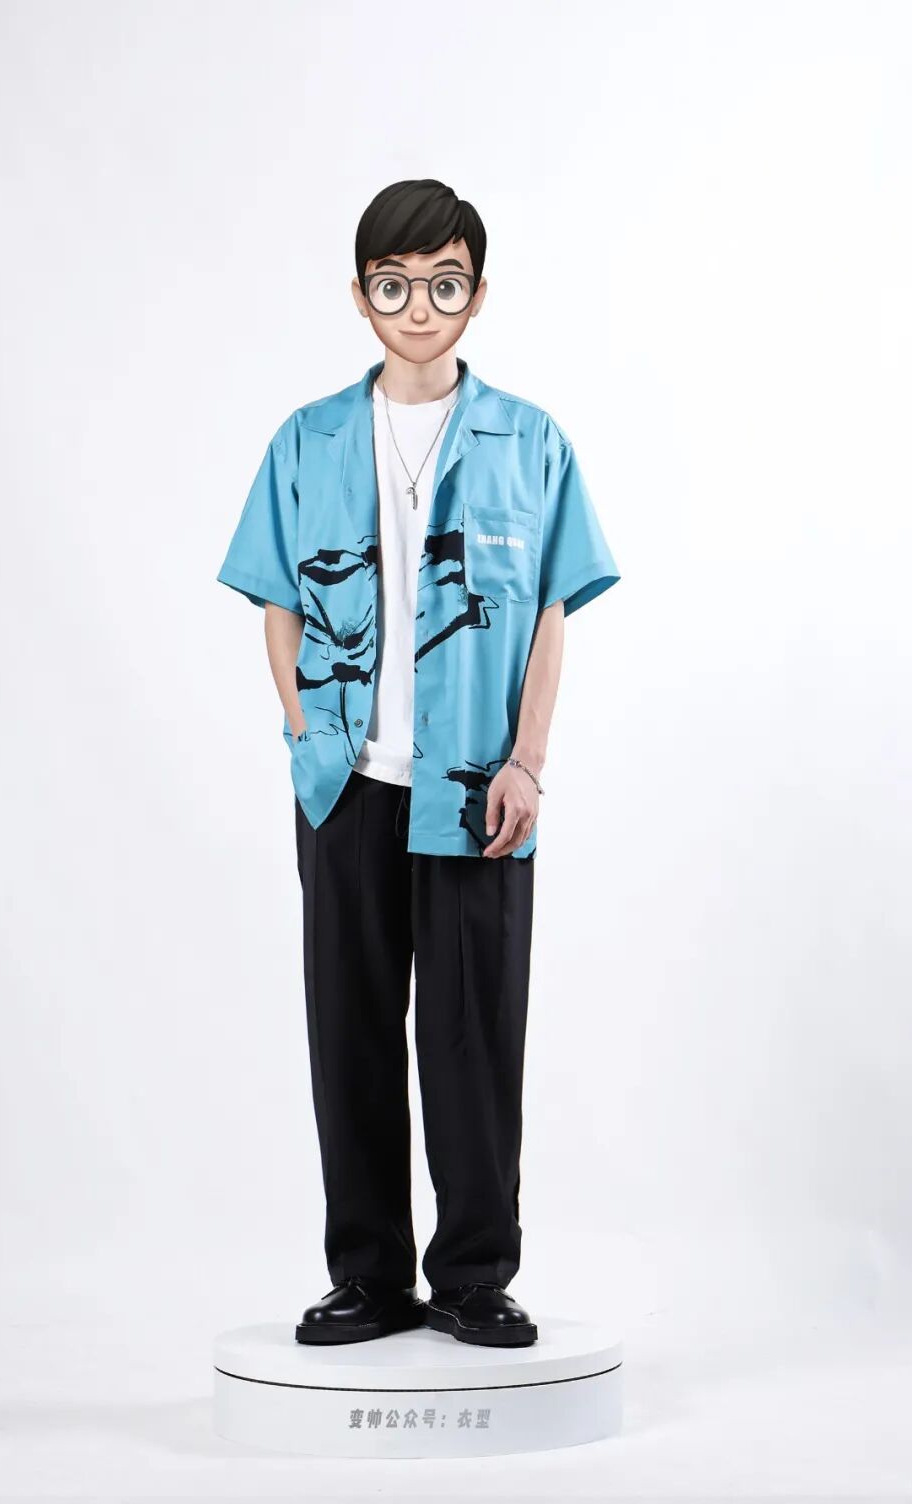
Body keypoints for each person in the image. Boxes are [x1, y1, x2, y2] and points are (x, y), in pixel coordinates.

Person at [217, 179, 620, 1349]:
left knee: (473, 1036)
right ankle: (368, 1277)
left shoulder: (530, 441)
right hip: (346, 787)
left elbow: (551, 612)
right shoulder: (308, 439)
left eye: (444, 284)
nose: (419, 308)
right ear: (361, 296)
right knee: (348, 1031)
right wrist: (307, 733)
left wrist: (527, 763)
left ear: (477, 295)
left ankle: (475, 1277)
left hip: (477, 791)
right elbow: (276, 602)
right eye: (394, 286)